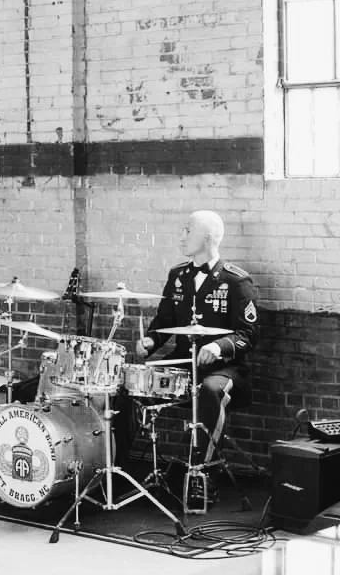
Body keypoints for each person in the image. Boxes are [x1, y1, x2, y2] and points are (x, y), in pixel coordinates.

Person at [138, 210, 259, 505]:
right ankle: (116, 466)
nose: (181, 236)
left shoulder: (236, 281)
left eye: (187, 231)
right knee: (131, 381)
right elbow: (164, 321)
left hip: (226, 369)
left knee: (210, 391)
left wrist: (218, 347)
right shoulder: (177, 275)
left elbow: (248, 334)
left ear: (206, 238)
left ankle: (200, 472)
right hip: (183, 362)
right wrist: (150, 342)